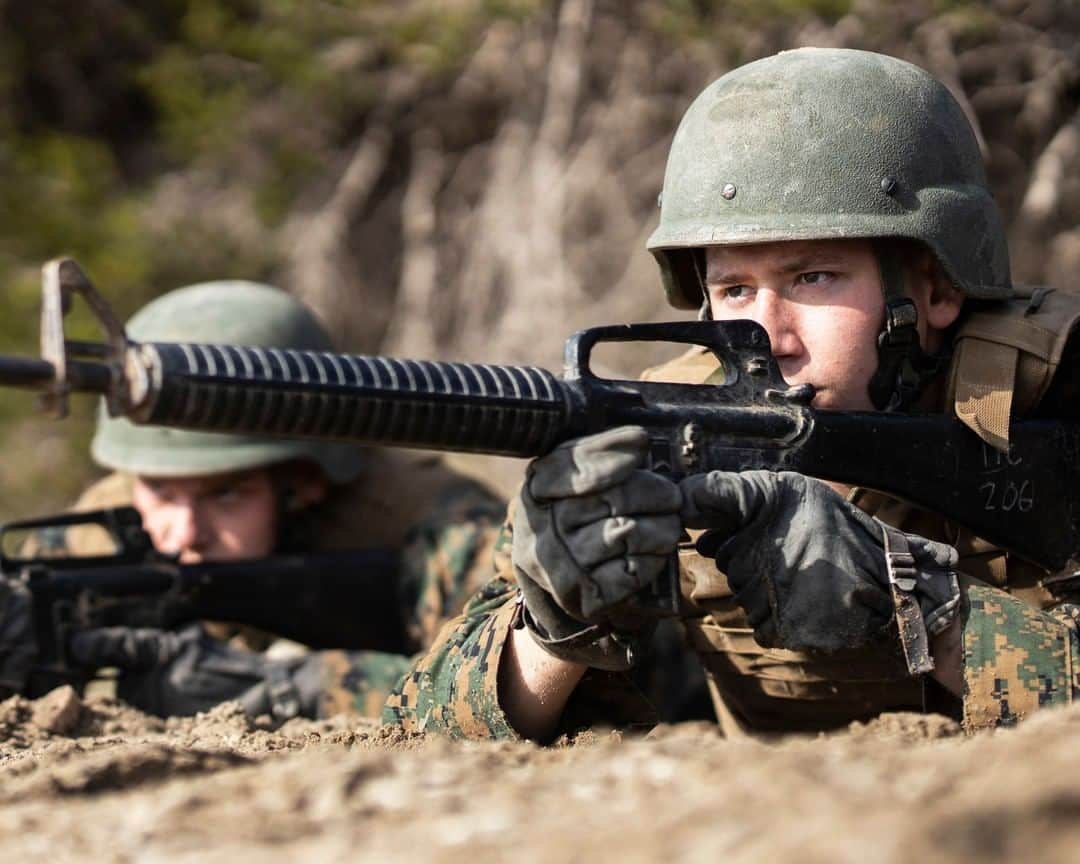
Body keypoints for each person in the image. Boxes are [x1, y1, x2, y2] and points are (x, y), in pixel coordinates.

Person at [384, 47, 1080, 742]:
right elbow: (418, 730)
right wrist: (552, 633)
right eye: (735, 289)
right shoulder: (663, 431)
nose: (768, 334)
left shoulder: (1053, 403)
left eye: (814, 278)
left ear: (935, 288)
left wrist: (923, 605)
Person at [0, 279, 504, 721]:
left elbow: (512, 678)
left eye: (226, 493)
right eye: (159, 489)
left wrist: (297, 687)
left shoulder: (432, 520)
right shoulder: (97, 535)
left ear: (303, 481)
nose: (183, 533)